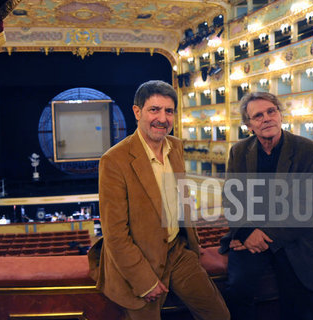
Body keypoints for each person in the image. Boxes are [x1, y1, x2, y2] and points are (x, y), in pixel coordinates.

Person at [88, 80, 229, 320]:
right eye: (154, 109)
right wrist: (144, 281)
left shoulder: (175, 147)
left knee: (219, 316)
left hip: (177, 251)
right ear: (137, 112)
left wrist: (192, 248)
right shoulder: (114, 160)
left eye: (169, 111)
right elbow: (116, 234)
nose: (162, 118)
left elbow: (181, 200)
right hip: (139, 262)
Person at [219, 92, 313, 320]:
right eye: (258, 115)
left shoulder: (310, 152)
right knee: (238, 290)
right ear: (249, 125)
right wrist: (247, 231)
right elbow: (232, 200)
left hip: (293, 236)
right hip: (250, 233)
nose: (266, 118)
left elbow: (306, 209)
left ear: (280, 115)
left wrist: (262, 233)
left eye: (271, 111)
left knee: (298, 301)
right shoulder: (239, 151)